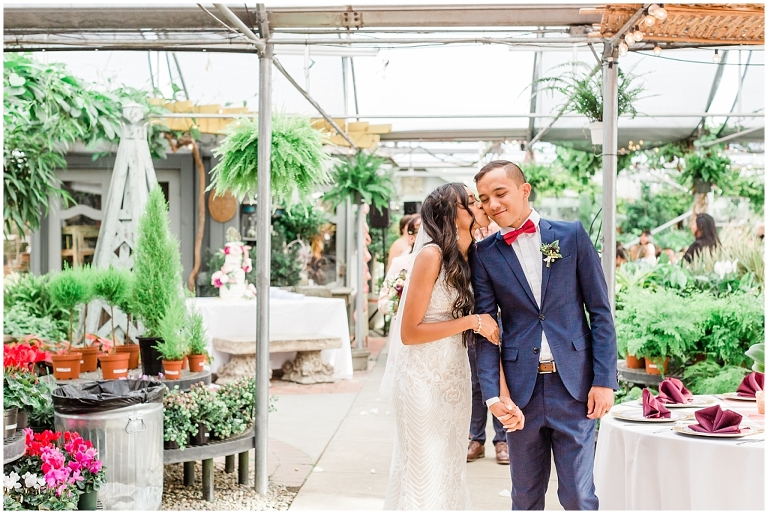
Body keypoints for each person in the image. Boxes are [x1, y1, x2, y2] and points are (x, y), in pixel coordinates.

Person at [472, 160, 618, 510]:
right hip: (521, 392)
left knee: (578, 495)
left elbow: (600, 312)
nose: (493, 204)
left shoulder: (571, 236)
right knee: (524, 497)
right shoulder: (484, 254)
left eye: (500, 193)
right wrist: (494, 396)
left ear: (525, 190)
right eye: (484, 199)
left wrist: (604, 380)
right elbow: (486, 331)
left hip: (575, 389)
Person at [381, 183, 521, 510]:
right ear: (450, 214)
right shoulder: (431, 256)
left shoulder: (472, 256)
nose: (481, 205)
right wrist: (472, 322)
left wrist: (501, 391)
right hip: (421, 380)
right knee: (422, 472)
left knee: (448, 471)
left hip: (454, 378)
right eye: (471, 201)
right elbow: (409, 332)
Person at [467, 219, 509, 465]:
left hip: (507, 320)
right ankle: (476, 438)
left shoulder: (504, 233)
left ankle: (503, 439)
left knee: (505, 379)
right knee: (477, 382)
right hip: (478, 319)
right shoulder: (469, 238)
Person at [378, 216, 422, 316]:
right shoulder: (400, 262)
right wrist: (398, 303)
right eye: (422, 233)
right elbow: (382, 302)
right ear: (411, 237)